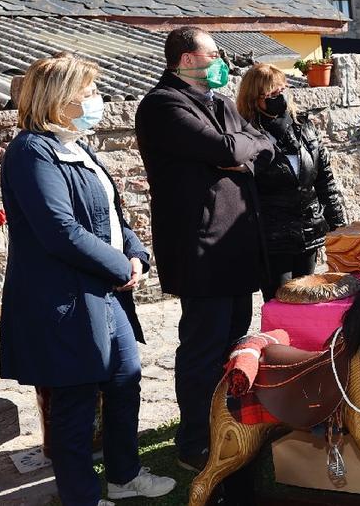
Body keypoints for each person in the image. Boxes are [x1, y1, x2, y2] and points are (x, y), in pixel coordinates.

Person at [0, 54, 176, 505]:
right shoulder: (30, 151)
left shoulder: (78, 145)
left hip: (103, 292)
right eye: (89, 92)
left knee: (124, 379)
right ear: (59, 98)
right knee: (75, 401)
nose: (96, 100)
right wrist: (120, 267)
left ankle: (123, 476)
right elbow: (60, 230)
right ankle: (80, 496)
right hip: (65, 299)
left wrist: (135, 254)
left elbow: (112, 216)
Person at [134, 26, 276, 472]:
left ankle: (232, 425)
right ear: (186, 59)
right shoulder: (163, 105)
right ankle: (195, 442)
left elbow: (260, 144)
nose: (222, 61)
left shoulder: (215, 103)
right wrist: (237, 148)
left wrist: (240, 148)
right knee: (202, 349)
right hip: (201, 250)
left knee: (236, 345)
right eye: (213, 53)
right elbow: (223, 146)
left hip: (235, 248)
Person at [235, 63, 348, 299]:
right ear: (255, 98)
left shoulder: (303, 127)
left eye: (283, 90)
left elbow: (324, 178)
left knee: (309, 296)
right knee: (280, 299)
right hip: (272, 237)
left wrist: (339, 225)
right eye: (272, 94)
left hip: (309, 230)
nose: (281, 97)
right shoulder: (245, 136)